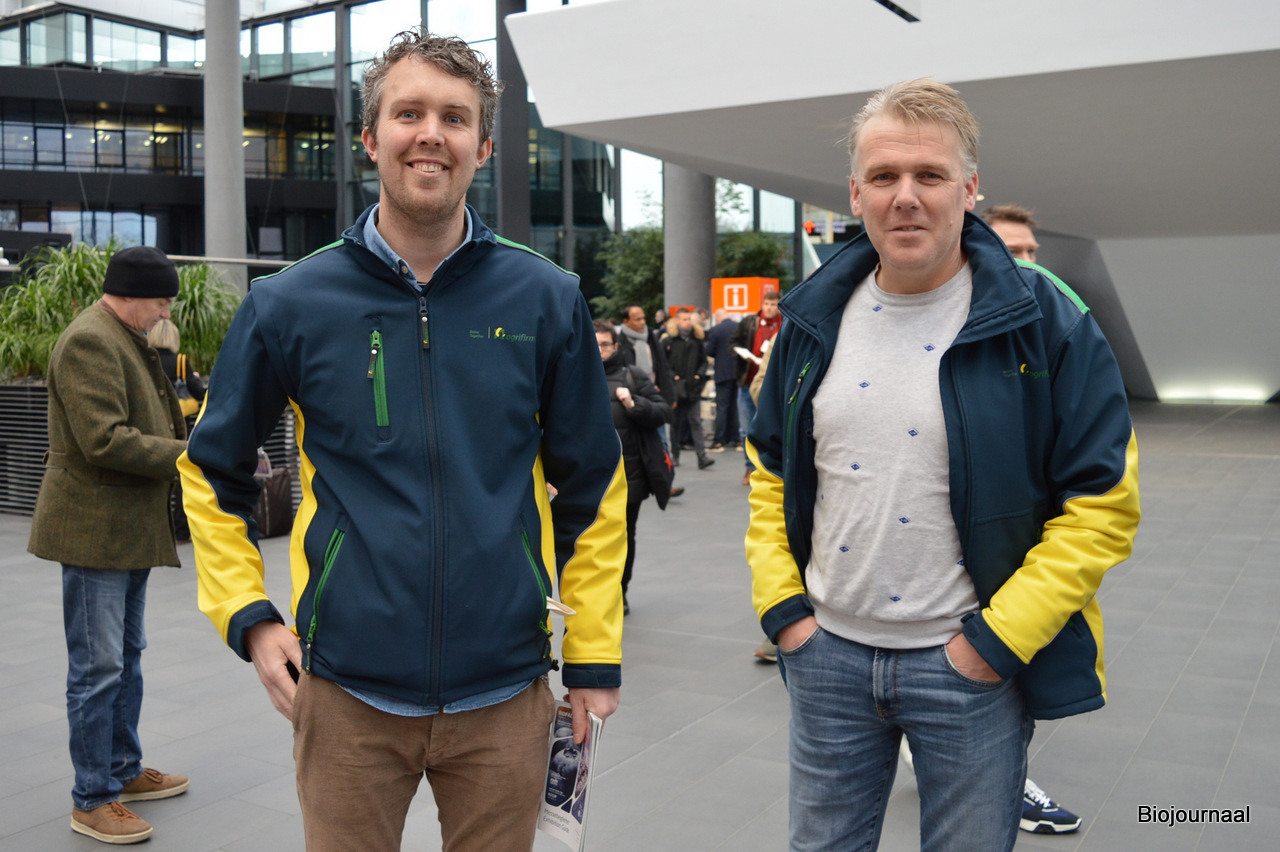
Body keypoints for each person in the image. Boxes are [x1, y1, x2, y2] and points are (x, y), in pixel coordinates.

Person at [179, 30, 625, 852]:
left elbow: (595, 483)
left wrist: (593, 653)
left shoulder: (545, 297)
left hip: (506, 693)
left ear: (482, 146)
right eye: (408, 113)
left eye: (454, 118)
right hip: (345, 693)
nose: (430, 134)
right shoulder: (291, 302)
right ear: (369, 137)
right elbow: (210, 473)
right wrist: (249, 616)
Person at [744, 79, 1140, 851]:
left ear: (969, 188)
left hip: (969, 666)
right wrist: (785, 615)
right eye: (884, 176)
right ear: (855, 193)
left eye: (930, 175)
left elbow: (1103, 504)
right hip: (826, 658)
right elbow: (770, 469)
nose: (906, 197)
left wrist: (994, 645)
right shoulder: (810, 319)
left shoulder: (1047, 321)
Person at [29, 245, 191, 845]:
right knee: (98, 668)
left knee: (125, 656)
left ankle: (122, 770)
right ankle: (92, 797)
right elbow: (105, 440)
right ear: (128, 293)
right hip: (94, 528)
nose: (166, 312)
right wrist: (191, 456)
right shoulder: (89, 341)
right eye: (161, 301)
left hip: (124, 525)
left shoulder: (125, 335)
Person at [974, 201, 1081, 835]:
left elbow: (1099, 489)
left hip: (1015, 589)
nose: (1027, 263)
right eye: (1012, 251)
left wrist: (1000, 640)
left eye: (1033, 252)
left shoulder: (1056, 329)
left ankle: (1004, 782)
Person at [596, 320, 673, 615]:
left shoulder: (633, 375)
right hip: (590, 476)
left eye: (605, 344)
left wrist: (633, 404)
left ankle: (620, 590)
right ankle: (595, 591)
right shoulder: (576, 375)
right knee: (592, 538)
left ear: (616, 346)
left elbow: (662, 411)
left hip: (630, 476)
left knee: (624, 536)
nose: (599, 350)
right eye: (594, 344)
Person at [148, 318, 205, 543]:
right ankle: (181, 531)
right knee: (183, 477)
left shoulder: (146, 359)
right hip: (181, 426)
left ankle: (158, 529)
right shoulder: (180, 361)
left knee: (156, 477)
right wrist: (196, 379)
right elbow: (199, 393)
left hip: (154, 424)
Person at [616, 304, 683, 497]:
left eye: (644, 318)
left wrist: (669, 395)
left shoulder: (651, 338)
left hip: (653, 399)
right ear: (626, 321)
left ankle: (666, 483)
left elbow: (662, 367)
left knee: (662, 443)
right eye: (637, 319)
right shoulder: (620, 342)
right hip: (630, 400)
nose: (642, 322)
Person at [732, 290, 781, 485]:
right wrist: (741, 354)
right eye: (766, 304)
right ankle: (750, 467)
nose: (769, 308)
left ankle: (766, 468)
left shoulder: (784, 324)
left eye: (773, 304)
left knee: (769, 429)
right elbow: (732, 342)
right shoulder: (749, 322)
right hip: (747, 383)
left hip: (771, 389)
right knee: (746, 429)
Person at [663, 307, 714, 470]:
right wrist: (673, 377)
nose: (687, 322)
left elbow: (704, 361)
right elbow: (662, 363)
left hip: (693, 387)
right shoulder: (669, 341)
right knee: (675, 423)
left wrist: (699, 375)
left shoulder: (696, 340)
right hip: (676, 389)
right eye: (684, 319)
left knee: (696, 422)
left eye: (689, 319)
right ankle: (675, 455)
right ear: (677, 321)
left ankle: (702, 456)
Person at [703, 308, 741, 451]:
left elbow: (709, 351)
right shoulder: (738, 327)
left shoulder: (716, 330)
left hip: (722, 373)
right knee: (735, 406)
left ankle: (719, 440)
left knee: (722, 407)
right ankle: (736, 439)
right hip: (738, 372)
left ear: (718, 318)